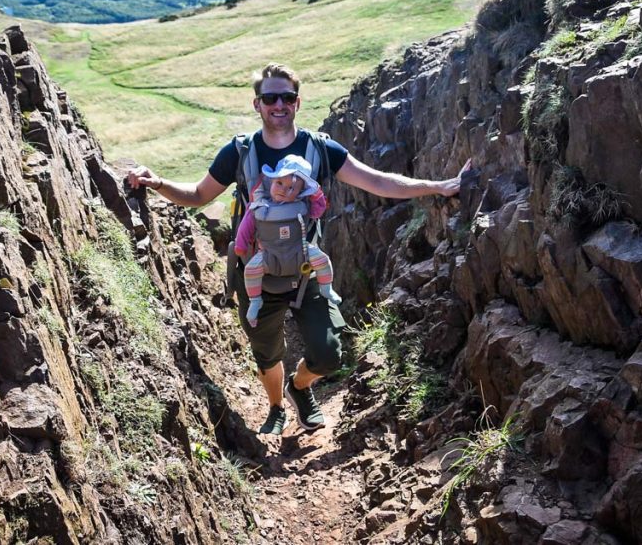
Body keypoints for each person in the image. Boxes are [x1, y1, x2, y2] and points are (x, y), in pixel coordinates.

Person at [127, 63, 471, 435]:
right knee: (266, 353)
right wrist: (157, 182)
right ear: (256, 104)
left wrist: (436, 186)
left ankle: (300, 385)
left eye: (286, 97)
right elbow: (198, 195)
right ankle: (276, 407)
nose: (279, 104)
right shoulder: (240, 152)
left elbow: (377, 181)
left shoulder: (321, 150)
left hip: (307, 271)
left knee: (328, 355)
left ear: (297, 102)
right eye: (270, 97)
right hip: (256, 273)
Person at [236, 154, 340, 327]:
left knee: (322, 260)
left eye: (292, 188)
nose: (283, 190)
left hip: (300, 251)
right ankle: (255, 300)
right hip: (269, 253)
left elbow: (319, 210)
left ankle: (326, 287)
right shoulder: (258, 207)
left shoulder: (302, 207)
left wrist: (315, 194)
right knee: (251, 271)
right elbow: (245, 227)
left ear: (300, 193)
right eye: (279, 183)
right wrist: (240, 245)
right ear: (271, 182)